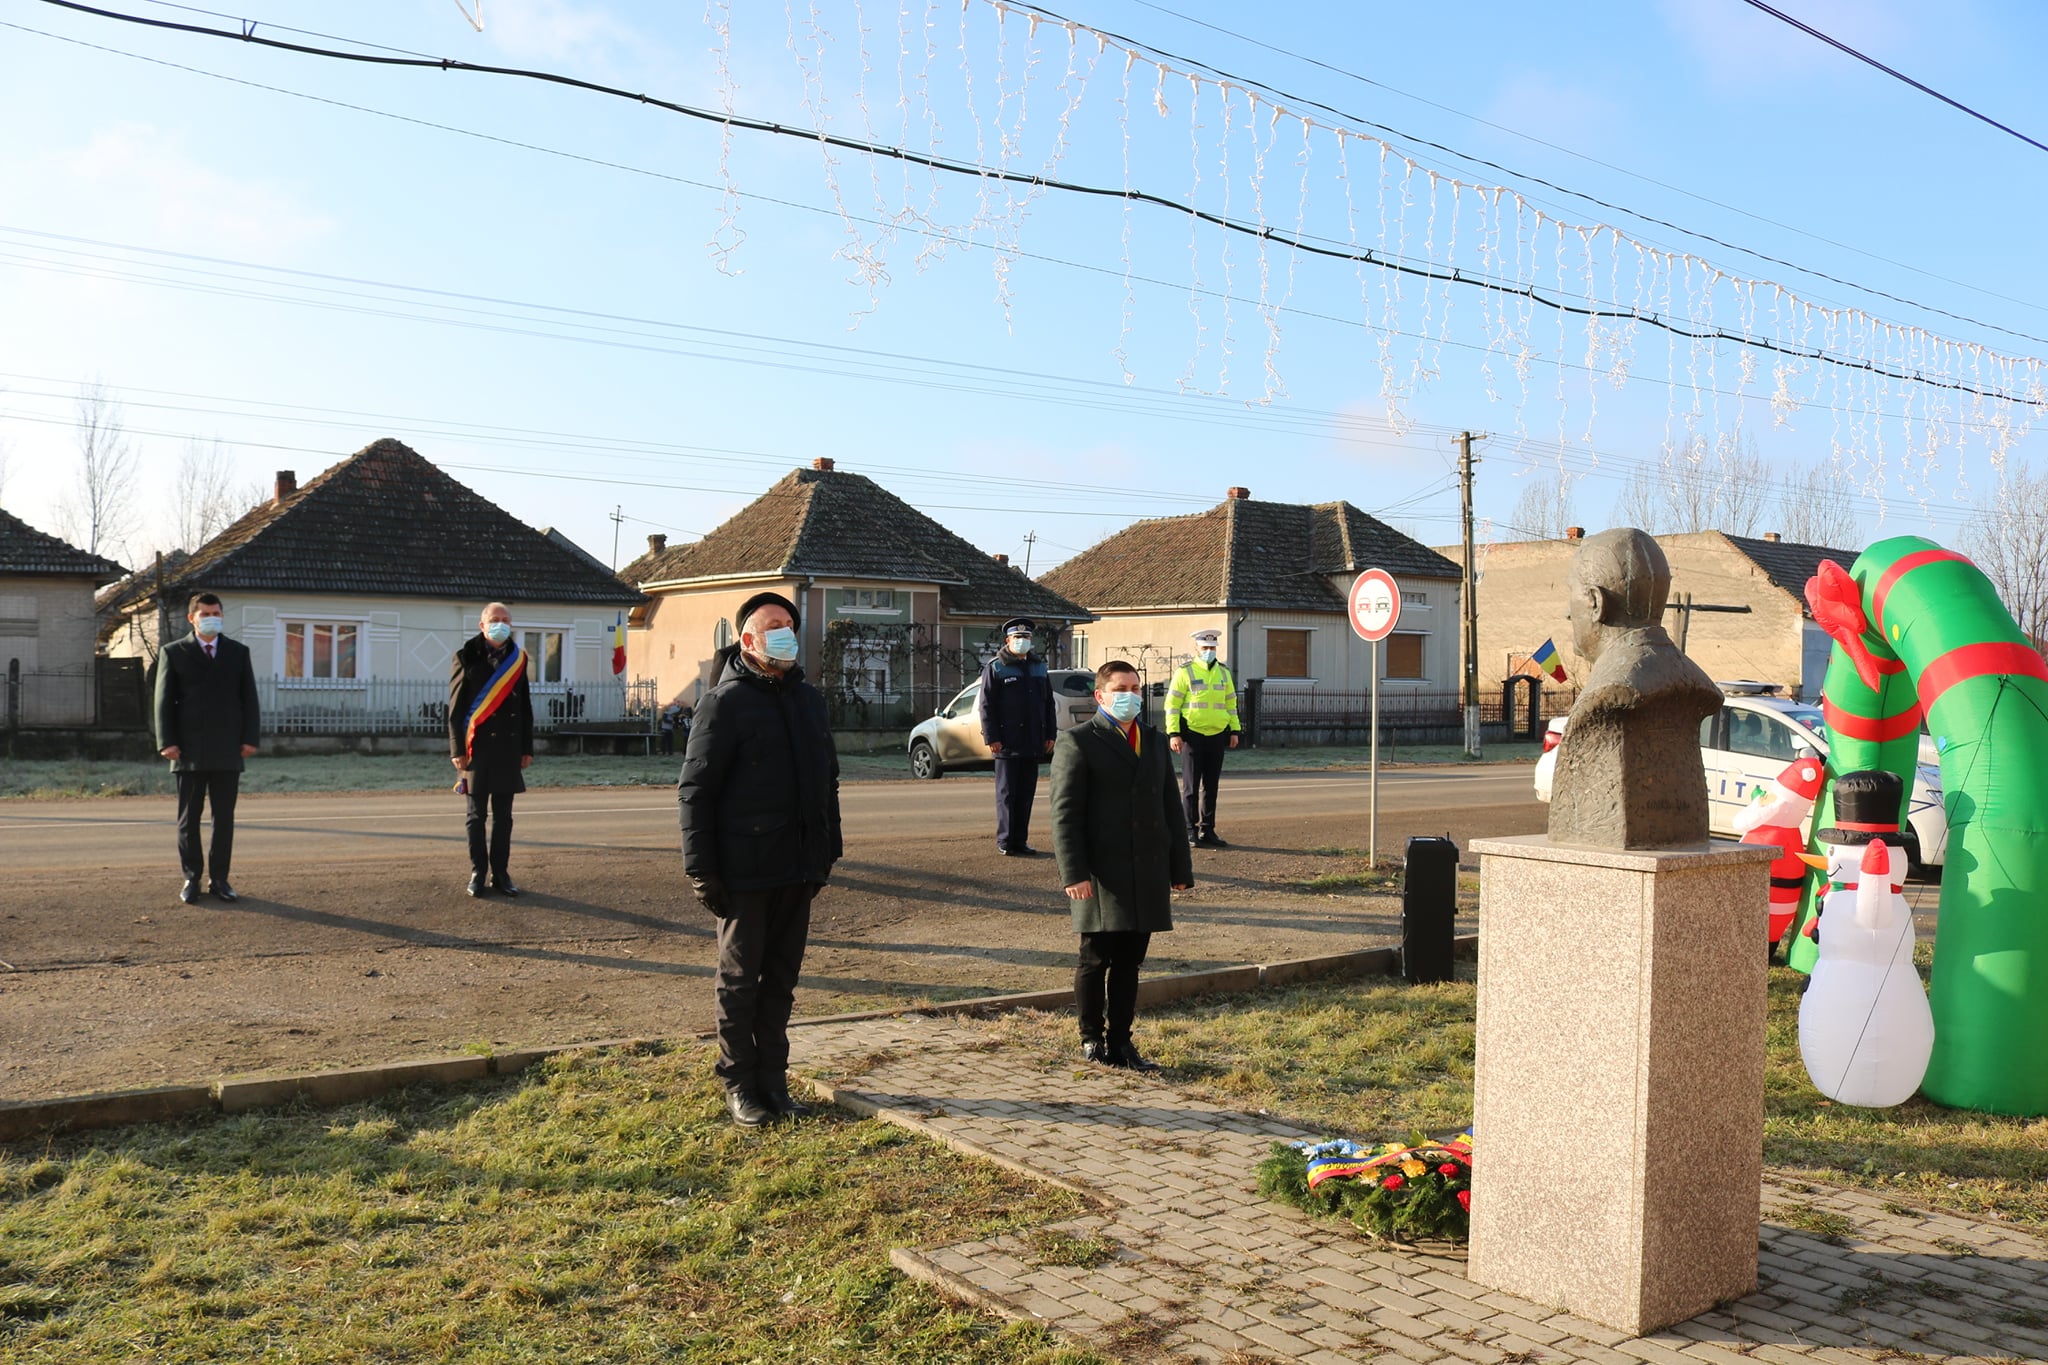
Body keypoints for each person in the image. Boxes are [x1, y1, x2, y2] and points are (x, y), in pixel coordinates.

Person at [679, 590, 843, 1127]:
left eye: (789, 624)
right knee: (739, 982)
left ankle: (775, 1081)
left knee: (781, 981)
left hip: (799, 866)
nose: (784, 632)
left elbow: (827, 782)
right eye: (773, 625)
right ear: (747, 639)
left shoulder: (810, 700)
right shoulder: (723, 703)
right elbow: (695, 792)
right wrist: (701, 869)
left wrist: (828, 851)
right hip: (743, 870)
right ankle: (739, 1083)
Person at [1050, 659, 1194, 1070]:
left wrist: (1179, 869)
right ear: (1100, 696)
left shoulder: (1153, 741)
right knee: (1095, 958)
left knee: (1130, 962)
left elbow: (1171, 808)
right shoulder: (1078, 741)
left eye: (1135, 689)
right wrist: (1074, 873)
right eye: (1120, 689)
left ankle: (1121, 1043)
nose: (1130, 696)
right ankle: (1091, 1039)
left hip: (1146, 869)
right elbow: (1065, 815)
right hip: (1101, 873)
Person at [1547, 528, 1724, 849]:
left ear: (1595, 602)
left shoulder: (1612, 692)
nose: (1567, 612)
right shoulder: (1690, 680)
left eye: (1572, 593)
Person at [154, 591, 261, 904]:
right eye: (205, 614)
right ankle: (192, 878)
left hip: (228, 748)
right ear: (192, 618)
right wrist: (167, 741)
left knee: (223, 819)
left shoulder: (237, 652)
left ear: (222, 616)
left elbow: (249, 698)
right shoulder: (174, 652)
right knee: (189, 820)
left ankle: (220, 880)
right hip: (188, 750)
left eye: (216, 613)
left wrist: (250, 738)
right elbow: (163, 701)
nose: (212, 618)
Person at [449, 602, 535, 897]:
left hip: (509, 748)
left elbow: (525, 707)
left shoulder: (518, 659)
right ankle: (478, 872)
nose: (501, 624)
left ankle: (501, 874)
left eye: (505, 620)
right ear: (482, 625)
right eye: (495, 619)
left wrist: (526, 747)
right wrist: (457, 749)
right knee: (476, 817)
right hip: (477, 748)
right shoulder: (465, 657)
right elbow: (456, 709)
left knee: (504, 817)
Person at [976, 615, 1057, 856]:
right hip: (1007, 741)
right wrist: (992, 737)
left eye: (1026, 637)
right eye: (1018, 637)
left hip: (1033, 740)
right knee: (1007, 794)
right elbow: (986, 706)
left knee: (1026, 794)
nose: (1022, 641)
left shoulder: (1039, 667)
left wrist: (1050, 734)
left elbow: (1048, 703)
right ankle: (1006, 840)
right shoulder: (996, 667)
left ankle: (1021, 840)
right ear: (1008, 640)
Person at [1165, 628, 1241, 848]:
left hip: (1217, 735)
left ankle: (1208, 830)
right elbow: (1172, 705)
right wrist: (1174, 733)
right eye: (1205, 647)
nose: (1209, 651)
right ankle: (1190, 831)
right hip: (1192, 736)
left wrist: (1234, 731)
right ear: (1196, 648)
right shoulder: (1185, 672)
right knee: (1191, 788)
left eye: (1212, 647)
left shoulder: (1224, 673)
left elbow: (1231, 704)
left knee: (1211, 787)